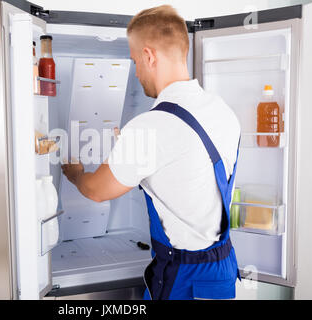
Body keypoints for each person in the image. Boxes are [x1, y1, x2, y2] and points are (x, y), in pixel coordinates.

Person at [61, 5, 241, 300]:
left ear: (149, 55)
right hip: (221, 270)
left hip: (185, 277)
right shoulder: (222, 110)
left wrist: (76, 173)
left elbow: (96, 191)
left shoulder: (152, 126)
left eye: (135, 61)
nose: (137, 71)